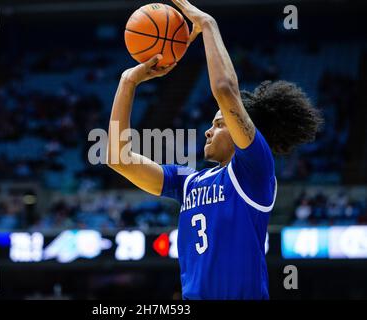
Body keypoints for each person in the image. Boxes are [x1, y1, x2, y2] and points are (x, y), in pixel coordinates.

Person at [106, 0, 323, 299]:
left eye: (220, 124)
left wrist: (208, 24)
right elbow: (118, 159)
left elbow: (225, 90)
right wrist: (128, 81)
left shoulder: (255, 171)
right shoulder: (189, 181)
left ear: (243, 132)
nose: (208, 130)